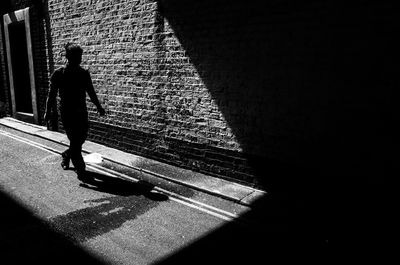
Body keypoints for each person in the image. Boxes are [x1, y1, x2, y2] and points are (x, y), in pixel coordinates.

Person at [44, 43, 105, 182]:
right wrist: (47, 111)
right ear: (68, 57)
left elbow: (91, 92)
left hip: (81, 111)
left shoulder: (83, 73)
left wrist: (99, 107)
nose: (80, 59)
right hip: (67, 112)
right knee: (75, 140)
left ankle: (67, 154)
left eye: (80, 56)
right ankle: (81, 170)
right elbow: (51, 95)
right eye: (77, 56)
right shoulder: (59, 74)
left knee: (80, 139)